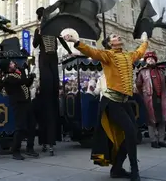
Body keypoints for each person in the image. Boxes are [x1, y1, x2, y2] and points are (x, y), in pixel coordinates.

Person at [63, 32, 148, 181]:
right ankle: (134, 169)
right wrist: (76, 40)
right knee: (129, 131)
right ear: (109, 43)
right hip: (112, 102)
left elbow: (140, 52)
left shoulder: (128, 56)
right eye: (114, 36)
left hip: (124, 101)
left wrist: (145, 41)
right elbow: (92, 52)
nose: (118, 36)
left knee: (132, 134)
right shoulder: (107, 55)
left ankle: (117, 169)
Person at [33, 7, 73, 155]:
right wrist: (38, 31)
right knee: (47, 88)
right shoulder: (39, 29)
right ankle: (45, 140)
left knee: (54, 91)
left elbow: (62, 41)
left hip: (53, 59)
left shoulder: (54, 29)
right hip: (43, 59)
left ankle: (51, 138)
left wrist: (70, 52)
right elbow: (35, 45)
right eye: (43, 17)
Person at [0, 59, 39, 160]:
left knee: (32, 125)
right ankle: (15, 151)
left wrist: (31, 77)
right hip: (19, 105)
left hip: (27, 103)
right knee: (20, 128)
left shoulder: (17, 74)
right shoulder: (9, 78)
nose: (14, 64)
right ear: (8, 67)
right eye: (11, 63)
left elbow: (26, 84)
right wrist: (27, 74)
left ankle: (30, 148)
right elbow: (22, 82)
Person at [136, 51, 166, 148]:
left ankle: (161, 140)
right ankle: (153, 141)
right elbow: (138, 85)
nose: (150, 60)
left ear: (155, 60)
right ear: (146, 61)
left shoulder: (161, 71)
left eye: (152, 58)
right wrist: (143, 95)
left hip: (162, 98)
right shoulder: (142, 72)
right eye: (148, 59)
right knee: (151, 120)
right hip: (149, 98)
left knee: (163, 119)